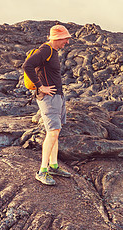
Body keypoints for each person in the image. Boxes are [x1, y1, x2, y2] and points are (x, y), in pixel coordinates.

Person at [23, 24, 72, 185]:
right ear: (57, 38)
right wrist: (40, 86)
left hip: (57, 96)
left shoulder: (53, 51)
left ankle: (53, 165)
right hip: (48, 98)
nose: (67, 42)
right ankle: (42, 171)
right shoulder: (46, 50)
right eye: (65, 39)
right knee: (53, 132)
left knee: (55, 131)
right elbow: (27, 65)